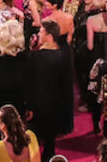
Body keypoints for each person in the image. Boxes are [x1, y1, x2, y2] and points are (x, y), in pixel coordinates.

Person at [25, 19, 74, 154]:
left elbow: (29, 82)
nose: (38, 35)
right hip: (56, 105)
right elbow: (67, 85)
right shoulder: (63, 56)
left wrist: (28, 106)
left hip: (38, 106)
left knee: (34, 142)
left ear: (49, 35)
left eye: (41, 32)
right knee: (49, 145)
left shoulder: (36, 57)